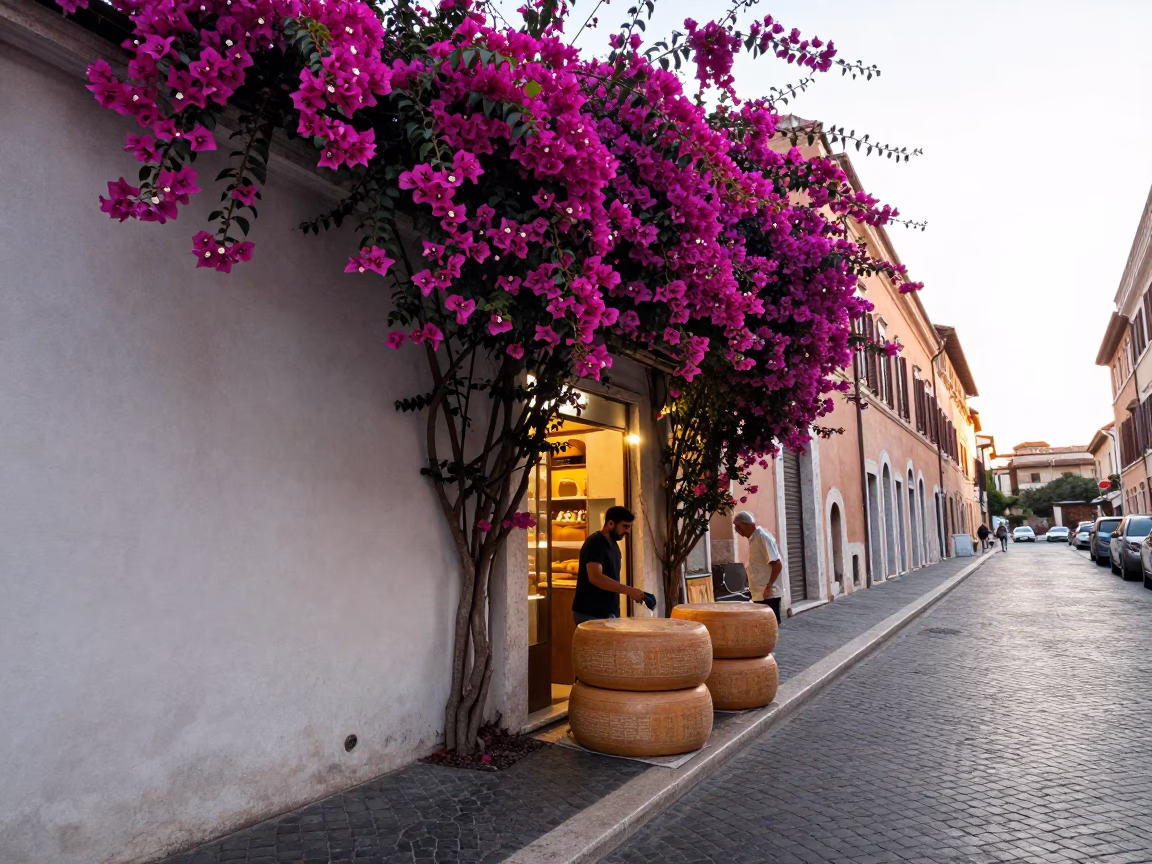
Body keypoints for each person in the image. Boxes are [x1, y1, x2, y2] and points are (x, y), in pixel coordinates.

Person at [572, 505, 648, 623]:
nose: (628, 531)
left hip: (607, 612)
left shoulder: (614, 546)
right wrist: (629, 590)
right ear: (611, 523)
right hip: (590, 613)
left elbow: (611, 578)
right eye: (625, 526)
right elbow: (595, 577)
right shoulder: (595, 543)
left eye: (630, 527)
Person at [733, 510, 784, 622]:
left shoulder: (762, 537)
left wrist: (769, 586)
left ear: (747, 524)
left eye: (738, 526)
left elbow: (777, 564)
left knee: (769, 628)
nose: (736, 530)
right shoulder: (754, 538)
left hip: (768, 595)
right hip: (759, 594)